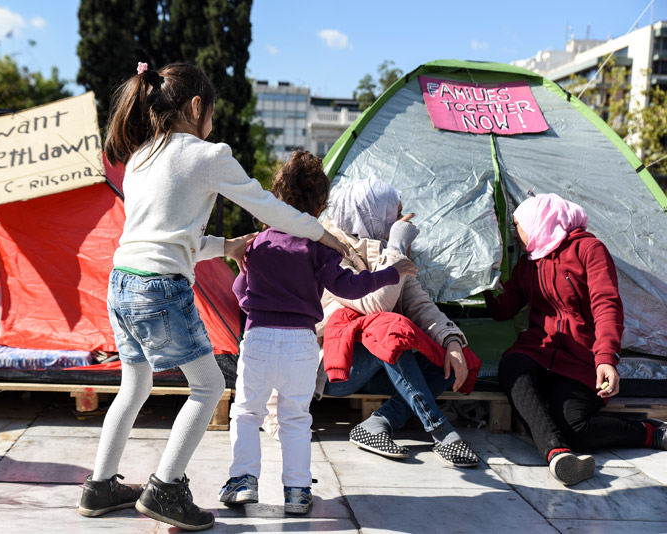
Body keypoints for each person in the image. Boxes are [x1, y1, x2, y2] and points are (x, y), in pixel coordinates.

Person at [77, 62, 348, 531]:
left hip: (121, 282)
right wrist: (322, 234)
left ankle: (99, 486)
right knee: (208, 388)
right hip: (161, 288)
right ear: (197, 107)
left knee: (134, 385)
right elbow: (268, 206)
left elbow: (167, 238)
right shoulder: (207, 154)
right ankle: (166, 487)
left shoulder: (140, 156)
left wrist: (227, 247)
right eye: (212, 112)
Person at [218, 152, 416, 515]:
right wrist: (393, 272)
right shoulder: (317, 246)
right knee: (296, 416)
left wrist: (240, 265)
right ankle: (296, 490)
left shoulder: (258, 243)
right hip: (300, 344)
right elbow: (351, 286)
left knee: (246, 412)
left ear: (276, 196)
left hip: (259, 338)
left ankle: (243, 481)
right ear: (321, 205)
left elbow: (239, 294)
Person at [483, 192, 666, 486]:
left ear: (539, 222)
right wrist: (485, 280)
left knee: (575, 426)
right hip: (538, 353)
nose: (515, 234)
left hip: (580, 358)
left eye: (518, 225)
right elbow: (504, 309)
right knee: (512, 365)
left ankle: (647, 432)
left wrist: (606, 359)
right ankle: (557, 455)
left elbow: (607, 304)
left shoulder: (588, 249)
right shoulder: (529, 263)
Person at [317, 177, 482, 467]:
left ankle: (378, 423)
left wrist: (452, 340)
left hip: (377, 365)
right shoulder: (328, 252)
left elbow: (418, 304)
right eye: (395, 212)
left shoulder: (383, 249)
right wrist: (396, 247)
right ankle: (440, 430)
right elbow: (373, 304)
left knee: (450, 358)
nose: (399, 219)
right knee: (389, 327)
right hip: (336, 370)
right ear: (371, 212)